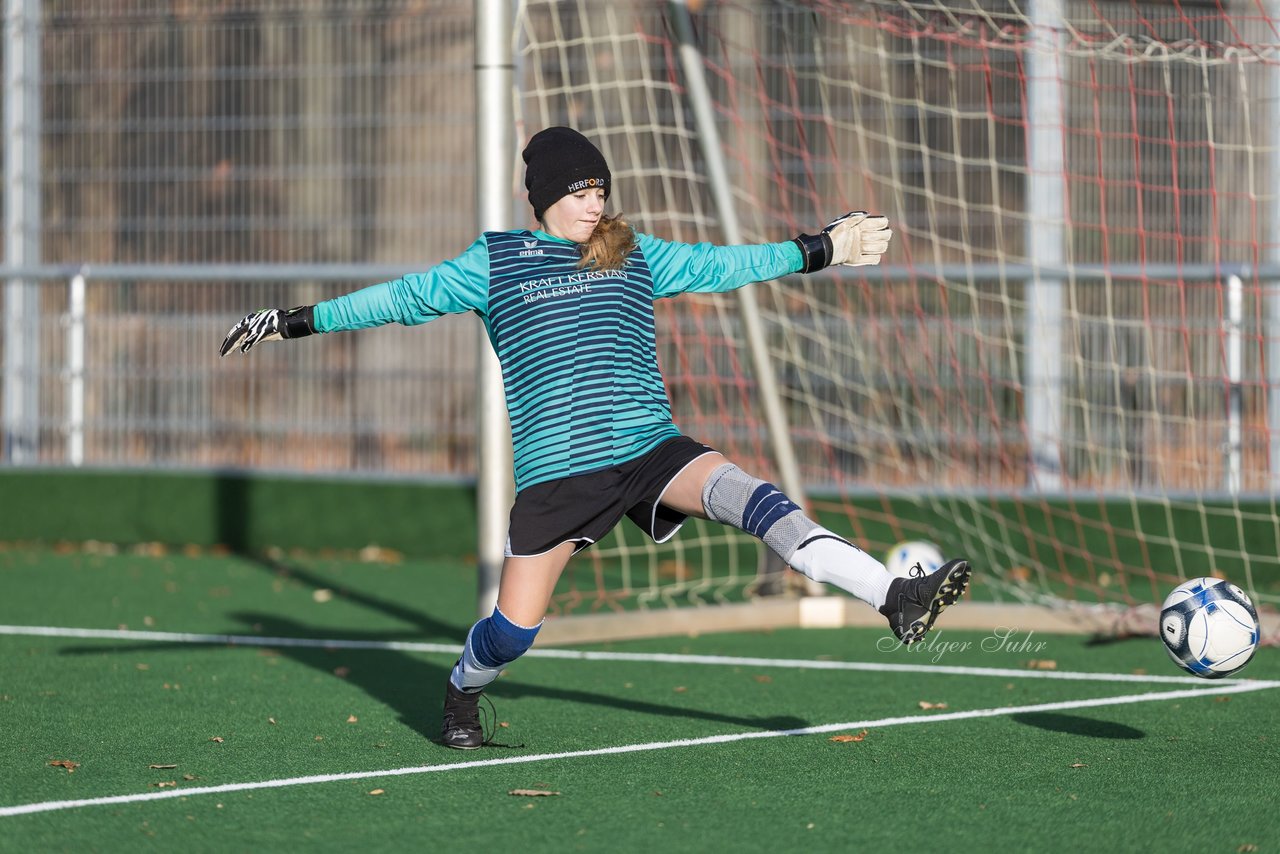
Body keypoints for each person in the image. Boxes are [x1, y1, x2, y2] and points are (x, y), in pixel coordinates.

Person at [220, 126, 972, 750]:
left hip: (650, 449)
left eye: (600, 189)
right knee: (513, 634)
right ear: (543, 197)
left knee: (759, 501)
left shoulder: (635, 253)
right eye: (580, 190)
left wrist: (818, 249)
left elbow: (725, 265)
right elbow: (400, 300)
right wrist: (293, 320)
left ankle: (895, 596)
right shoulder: (495, 264)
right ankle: (458, 694)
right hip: (558, 478)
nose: (595, 202)